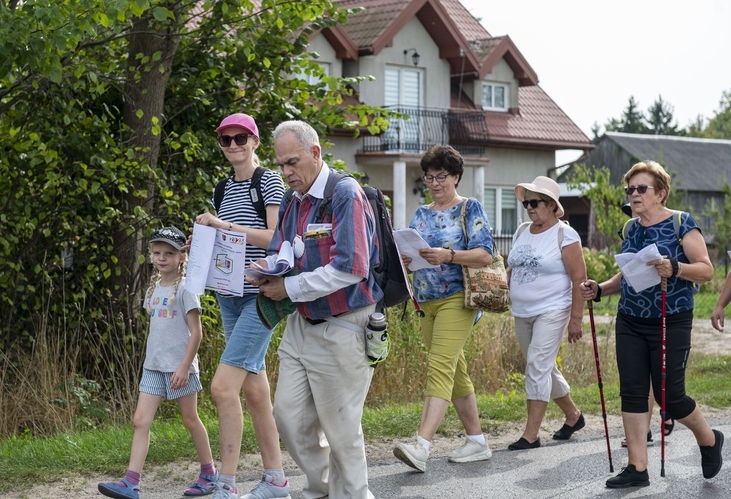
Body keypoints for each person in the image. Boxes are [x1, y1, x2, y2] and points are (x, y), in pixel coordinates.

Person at [248, 120, 382, 499]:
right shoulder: (293, 200)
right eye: (281, 165)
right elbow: (280, 249)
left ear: (316, 153)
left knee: (341, 431)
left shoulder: (344, 193)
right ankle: (322, 488)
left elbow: (352, 267)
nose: (287, 173)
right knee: (288, 417)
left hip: (345, 325)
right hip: (302, 322)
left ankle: (354, 495)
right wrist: (264, 271)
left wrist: (288, 286)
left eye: (293, 162)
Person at [581, 160, 723, 488]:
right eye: (630, 189)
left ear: (660, 193)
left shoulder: (681, 223)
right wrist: (601, 288)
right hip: (630, 318)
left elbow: (705, 269)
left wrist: (675, 267)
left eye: (641, 188)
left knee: (670, 397)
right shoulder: (631, 228)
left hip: (670, 319)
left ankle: (710, 439)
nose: (633, 194)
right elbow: (628, 273)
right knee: (632, 391)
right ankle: (637, 468)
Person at [193, 113, 289, 499]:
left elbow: (274, 238)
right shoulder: (222, 187)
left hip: (261, 297)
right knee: (255, 394)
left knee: (221, 388)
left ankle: (226, 485)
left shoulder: (267, 180)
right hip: (228, 296)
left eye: (240, 138)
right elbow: (226, 246)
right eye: (225, 140)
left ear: (255, 141)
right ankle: (277, 479)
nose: (233, 145)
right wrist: (200, 245)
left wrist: (223, 226)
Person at [391, 144, 494, 473]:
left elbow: (485, 255)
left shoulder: (470, 208)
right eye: (429, 177)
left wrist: (447, 255)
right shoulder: (420, 213)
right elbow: (412, 255)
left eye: (441, 176)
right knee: (455, 371)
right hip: (426, 301)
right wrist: (407, 260)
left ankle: (421, 446)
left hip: (458, 298)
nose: (434, 183)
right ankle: (477, 441)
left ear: (456, 177)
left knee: (439, 366)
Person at [98, 226, 217, 499]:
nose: (162, 258)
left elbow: (197, 332)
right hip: (153, 366)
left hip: (180, 368)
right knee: (140, 420)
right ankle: (131, 483)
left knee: (189, 419)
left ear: (181, 258)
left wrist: (185, 367)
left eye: (169, 253)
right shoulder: (153, 288)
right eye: (157, 253)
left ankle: (209, 473)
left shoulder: (187, 289)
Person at [505, 176, 587, 450]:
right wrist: (500, 288)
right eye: (526, 202)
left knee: (537, 366)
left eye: (535, 202)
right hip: (522, 311)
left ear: (552, 205)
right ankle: (573, 416)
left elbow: (579, 279)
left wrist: (576, 319)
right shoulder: (521, 231)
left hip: (553, 309)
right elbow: (513, 267)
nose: (529, 207)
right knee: (542, 366)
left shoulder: (565, 235)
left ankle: (531, 434)